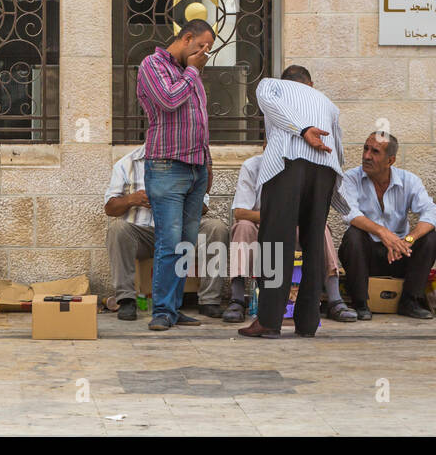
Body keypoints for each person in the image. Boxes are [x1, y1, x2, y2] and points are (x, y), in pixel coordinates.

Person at [240, 65, 357, 339]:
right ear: (311, 84)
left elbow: (269, 103)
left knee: (275, 242)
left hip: (287, 164)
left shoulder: (270, 85)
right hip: (324, 168)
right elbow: (337, 148)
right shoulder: (328, 103)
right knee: (314, 241)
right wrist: (335, 190)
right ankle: (307, 322)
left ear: (286, 80)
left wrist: (302, 129)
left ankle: (268, 321)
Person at [136, 18, 214, 332]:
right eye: (200, 47)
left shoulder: (189, 73)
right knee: (169, 241)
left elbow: (199, 121)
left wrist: (207, 165)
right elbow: (168, 101)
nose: (204, 54)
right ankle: (162, 311)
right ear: (185, 38)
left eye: (208, 50)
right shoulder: (152, 65)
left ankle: (174, 306)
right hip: (167, 166)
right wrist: (194, 71)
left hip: (195, 168)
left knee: (185, 244)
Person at [224, 150, 356, 324]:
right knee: (242, 227)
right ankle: (238, 300)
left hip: (294, 226)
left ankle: (334, 300)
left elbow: (312, 212)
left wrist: (291, 219)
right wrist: (276, 217)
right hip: (261, 226)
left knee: (320, 228)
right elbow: (240, 212)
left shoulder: (304, 167)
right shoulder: (252, 166)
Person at [104, 145, 230, 321]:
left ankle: (209, 300)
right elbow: (110, 209)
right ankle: (126, 300)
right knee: (118, 229)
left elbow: (202, 209)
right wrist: (132, 199)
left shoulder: (189, 162)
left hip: (180, 231)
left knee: (216, 227)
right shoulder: (126, 163)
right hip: (144, 233)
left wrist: (179, 198)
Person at [338, 132, 436, 320]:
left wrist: (408, 240)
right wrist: (383, 232)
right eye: (366, 148)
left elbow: (432, 213)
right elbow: (349, 213)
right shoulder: (350, 178)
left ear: (390, 160)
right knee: (353, 235)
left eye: (375, 152)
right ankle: (360, 303)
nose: (366, 156)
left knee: (430, 238)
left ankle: (410, 301)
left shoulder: (409, 180)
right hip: (366, 256)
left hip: (400, 255)